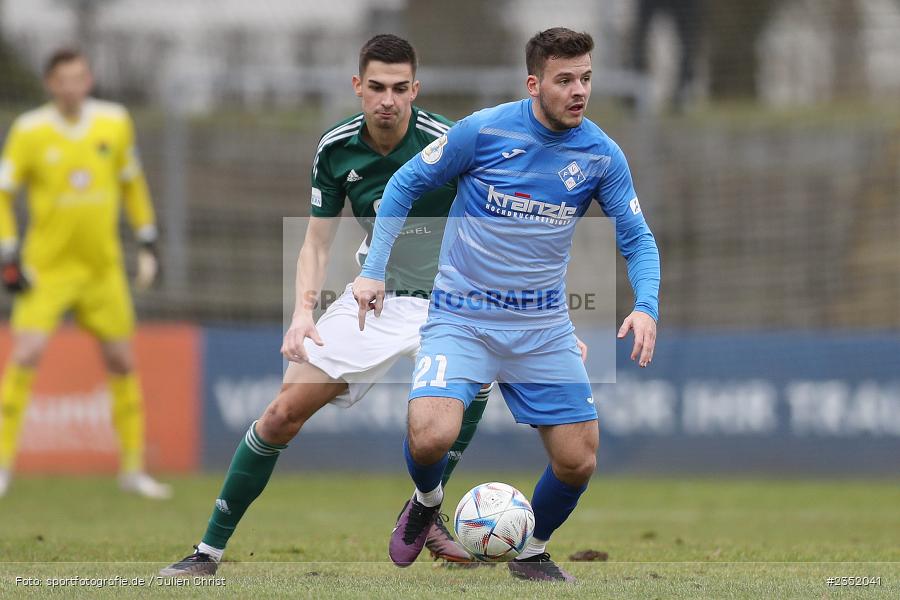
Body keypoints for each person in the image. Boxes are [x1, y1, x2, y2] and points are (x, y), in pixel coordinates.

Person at [160, 34, 517, 576]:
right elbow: (317, 243)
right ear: (357, 86)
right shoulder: (335, 148)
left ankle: (426, 507)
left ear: (415, 90)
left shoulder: (448, 141)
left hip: (452, 305)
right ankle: (206, 552)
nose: (387, 100)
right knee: (280, 414)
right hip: (374, 301)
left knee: (461, 400)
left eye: (400, 88)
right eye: (376, 87)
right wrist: (303, 311)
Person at [353, 28, 660, 582]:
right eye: (564, 79)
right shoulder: (483, 131)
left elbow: (637, 238)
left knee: (579, 457)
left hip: (541, 327)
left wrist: (647, 305)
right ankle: (426, 501)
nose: (578, 90)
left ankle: (531, 550)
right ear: (533, 82)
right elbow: (402, 185)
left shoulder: (600, 155)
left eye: (586, 78)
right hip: (462, 316)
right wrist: (373, 271)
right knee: (430, 434)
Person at [0, 48, 167, 499]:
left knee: (121, 361)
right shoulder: (29, 130)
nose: (72, 86)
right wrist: (8, 254)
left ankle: (133, 470)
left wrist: (148, 238)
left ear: (88, 79)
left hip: (101, 269)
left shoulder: (114, 120)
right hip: (46, 269)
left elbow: (131, 182)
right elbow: (3, 194)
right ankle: (2, 468)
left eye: (79, 77)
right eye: (63, 79)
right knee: (25, 355)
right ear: (50, 84)